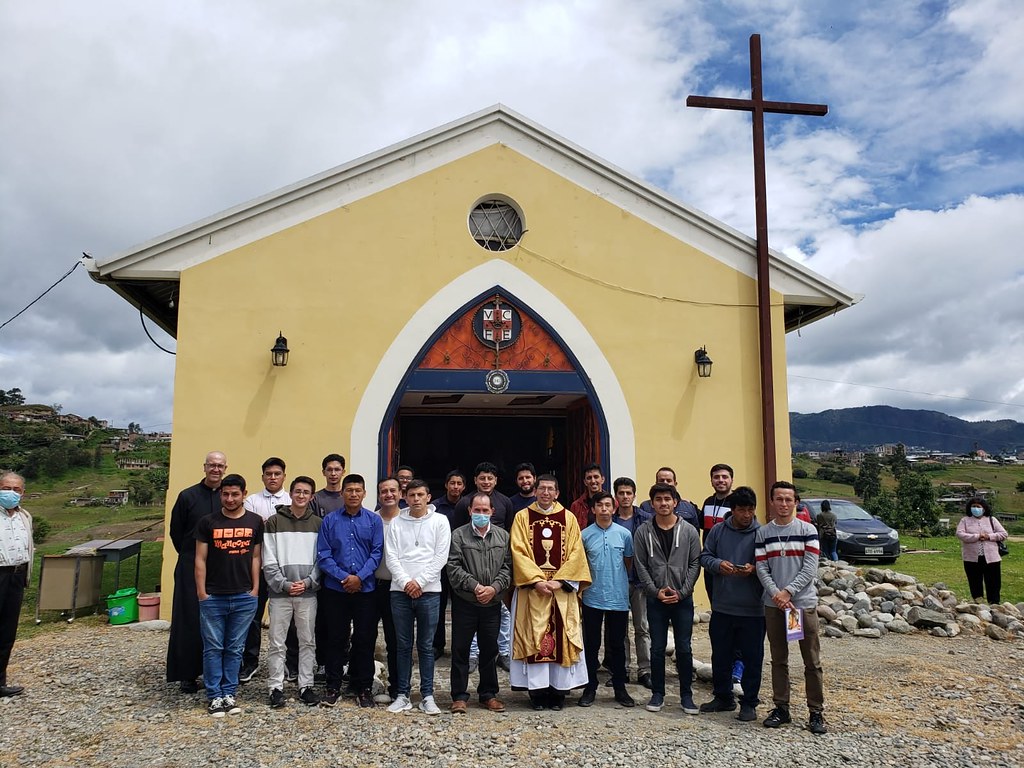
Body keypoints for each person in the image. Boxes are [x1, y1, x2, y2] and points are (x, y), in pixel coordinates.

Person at [509, 474, 591, 710]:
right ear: (535, 491)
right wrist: (536, 581)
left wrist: (560, 581)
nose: (545, 493)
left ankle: (559, 692)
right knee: (534, 636)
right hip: (532, 591)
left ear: (557, 493)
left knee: (562, 637)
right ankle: (537, 693)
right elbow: (518, 550)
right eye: (542, 488)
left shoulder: (569, 518)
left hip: (561, 592)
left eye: (550, 489)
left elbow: (576, 552)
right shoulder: (522, 517)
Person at [755, 481, 827, 735]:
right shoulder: (763, 533)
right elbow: (761, 566)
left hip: (801, 604)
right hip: (774, 605)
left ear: (796, 502)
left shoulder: (808, 530)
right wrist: (776, 593)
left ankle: (816, 711)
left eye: (788, 499)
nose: (784, 504)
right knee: (779, 658)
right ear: (772, 502)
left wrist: (788, 592)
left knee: (811, 659)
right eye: (779, 499)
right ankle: (781, 707)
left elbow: (810, 567)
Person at [194, 473, 263, 717]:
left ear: (244, 494)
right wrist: (202, 593)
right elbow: (200, 559)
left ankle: (229, 693)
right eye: (225, 494)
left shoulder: (255, 522)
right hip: (214, 596)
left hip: (244, 595)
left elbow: (256, 557)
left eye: (235, 494)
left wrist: (255, 589)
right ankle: (214, 696)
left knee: (235, 648)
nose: (230, 498)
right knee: (213, 647)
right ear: (220, 494)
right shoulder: (207, 522)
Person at [633, 482, 701, 714]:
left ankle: (686, 695)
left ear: (676, 502)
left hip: (682, 599)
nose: (663, 503)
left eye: (667, 499)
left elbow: (695, 563)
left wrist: (683, 592)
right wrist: (654, 591)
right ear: (652, 504)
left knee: (684, 647)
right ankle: (658, 693)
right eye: (658, 500)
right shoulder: (643, 531)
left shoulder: (689, 531)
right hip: (655, 599)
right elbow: (640, 564)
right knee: (657, 647)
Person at [316, 474, 383, 708]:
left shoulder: (374, 521)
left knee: (365, 638)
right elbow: (323, 555)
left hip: (366, 591)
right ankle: (332, 685)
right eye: (349, 490)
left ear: (364, 494)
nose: (353, 494)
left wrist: (359, 577)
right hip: (336, 589)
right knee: (336, 638)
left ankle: (362, 687)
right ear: (342, 493)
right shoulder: (330, 521)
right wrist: (345, 578)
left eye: (358, 490)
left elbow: (377, 553)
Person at [385, 479, 451, 715]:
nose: (416, 499)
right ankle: (402, 695)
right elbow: (391, 557)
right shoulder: (395, 523)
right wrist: (406, 583)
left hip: (429, 592)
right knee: (402, 645)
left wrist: (420, 582)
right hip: (400, 592)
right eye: (411, 495)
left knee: (426, 645)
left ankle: (427, 695)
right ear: (405, 497)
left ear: (428, 497)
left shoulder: (440, 521)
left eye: (420, 495)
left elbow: (441, 556)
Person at [698, 486, 764, 722]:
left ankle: (749, 702)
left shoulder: (762, 534)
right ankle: (723, 696)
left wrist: (754, 569)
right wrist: (718, 565)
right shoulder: (717, 531)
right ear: (732, 510)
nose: (746, 515)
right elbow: (704, 556)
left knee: (752, 657)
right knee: (721, 654)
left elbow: (771, 566)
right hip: (723, 606)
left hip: (753, 609)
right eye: (741, 510)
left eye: (750, 510)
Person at [446, 493, 512, 714]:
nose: (481, 514)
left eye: (485, 510)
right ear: (469, 511)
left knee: (489, 649)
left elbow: (508, 567)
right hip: (466, 601)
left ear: (492, 511)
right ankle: (459, 696)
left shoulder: (503, 536)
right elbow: (453, 567)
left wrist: (494, 588)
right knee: (461, 649)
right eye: (477, 510)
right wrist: (475, 587)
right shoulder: (458, 536)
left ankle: (488, 694)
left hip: (492, 602)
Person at [166, 451, 226, 693]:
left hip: (221, 566)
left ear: (225, 468)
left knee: (220, 619)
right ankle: (187, 673)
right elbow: (176, 533)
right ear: (204, 467)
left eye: (220, 466)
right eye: (212, 465)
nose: (216, 469)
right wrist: (192, 556)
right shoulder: (187, 496)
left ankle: (219, 671)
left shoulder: (229, 496)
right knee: (189, 618)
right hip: (191, 564)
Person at [262, 476, 322, 708]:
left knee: (307, 640)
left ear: (312, 497)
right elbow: (269, 559)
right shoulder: (274, 522)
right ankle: (275, 687)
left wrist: (308, 582)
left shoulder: (318, 524)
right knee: (277, 641)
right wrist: (284, 584)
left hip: (307, 593)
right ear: (291, 494)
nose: (301, 496)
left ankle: (305, 685)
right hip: (280, 594)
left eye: (306, 492)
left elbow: (321, 559)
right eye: (297, 491)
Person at [453, 462, 515, 669]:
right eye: (482, 478)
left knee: (503, 616)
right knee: (469, 624)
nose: (486, 481)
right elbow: (460, 537)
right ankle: (472, 656)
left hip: (495, 572)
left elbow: (509, 540)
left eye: (490, 478)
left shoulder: (506, 502)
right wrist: (474, 586)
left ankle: (503, 652)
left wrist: (496, 586)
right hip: (470, 569)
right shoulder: (463, 504)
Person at [578, 492, 635, 708]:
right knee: (591, 644)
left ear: (614, 508)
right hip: (592, 597)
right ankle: (590, 686)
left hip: (618, 597)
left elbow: (627, 562)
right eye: (599, 505)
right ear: (593, 509)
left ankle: (620, 687)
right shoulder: (584, 535)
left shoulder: (624, 534)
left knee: (617, 645)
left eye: (608, 505)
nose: (603, 509)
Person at [240, 457, 292, 683]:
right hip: (258, 568)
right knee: (253, 616)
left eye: (277, 474)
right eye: (268, 474)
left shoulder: (292, 500)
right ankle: (250, 662)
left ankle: (289, 663)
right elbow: (252, 528)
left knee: (287, 618)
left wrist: (265, 522)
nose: (273, 478)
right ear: (262, 476)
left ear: (284, 476)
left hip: (286, 569)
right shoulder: (251, 501)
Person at [612, 477, 652, 689]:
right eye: (621, 493)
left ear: (634, 495)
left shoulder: (646, 519)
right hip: (617, 581)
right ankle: (622, 669)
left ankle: (645, 670)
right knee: (619, 629)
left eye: (629, 493)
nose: (625, 497)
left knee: (642, 627)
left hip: (639, 581)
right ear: (616, 496)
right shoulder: (610, 519)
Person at [0, 472, 32, 698]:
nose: (10, 493)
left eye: (16, 490)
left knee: (7, 631)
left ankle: (0, 682)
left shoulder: (25, 517)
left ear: (22, 493)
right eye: (5, 487)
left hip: (16, 576)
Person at [372, 476, 403, 704]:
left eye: (393, 490)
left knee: (396, 640)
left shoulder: (408, 520)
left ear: (400, 493)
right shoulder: (371, 519)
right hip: (373, 586)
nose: (389, 495)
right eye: (384, 491)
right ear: (379, 495)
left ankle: (397, 686)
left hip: (398, 588)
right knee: (366, 637)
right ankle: (363, 682)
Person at [430, 469, 466, 658]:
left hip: (462, 563)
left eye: (459, 484)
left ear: (464, 487)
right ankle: (437, 645)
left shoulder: (469, 506)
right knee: (439, 605)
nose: (455, 487)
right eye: (452, 483)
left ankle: (460, 647)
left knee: (461, 607)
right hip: (440, 563)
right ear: (446, 485)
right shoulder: (435, 507)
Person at [955, 497, 1008, 604]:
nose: (975, 508)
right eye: (973, 506)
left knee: (993, 582)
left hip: (992, 558)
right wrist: (977, 536)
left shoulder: (991, 520)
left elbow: (1003, 534)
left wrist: (989, 536)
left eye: (978, 507)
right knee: (975, 581)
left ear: (984, 508)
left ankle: (994, 604)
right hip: (971, 558)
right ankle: (978, 603)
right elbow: (960, 534)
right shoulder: (965, 520)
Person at [569, 463, 605, 530]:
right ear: (585, 482)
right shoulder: (576, 506)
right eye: (589, 478)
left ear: (602, 479)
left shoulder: (613, 503)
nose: (593, 481)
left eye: (596, 477)